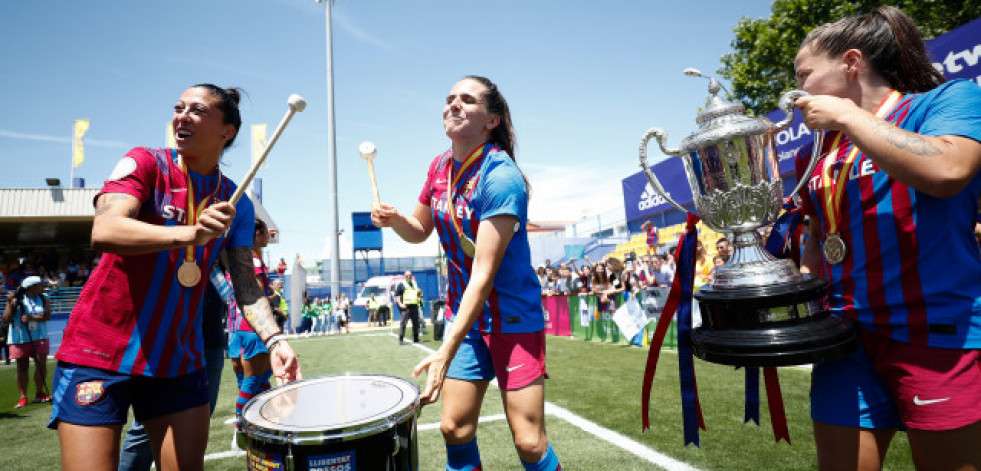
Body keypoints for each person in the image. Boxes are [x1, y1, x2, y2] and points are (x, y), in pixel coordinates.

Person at [47, 84, 302, 471]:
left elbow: (245, 287)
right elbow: (105, 231)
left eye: (197, 110)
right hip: (99, 352)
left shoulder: (237, 201)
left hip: (177, 359)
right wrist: (188, 233)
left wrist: (275, 338)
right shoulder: (146, 163)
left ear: (227, 131)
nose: (182, 116)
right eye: (178, 107)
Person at [792, 7, 981, 470]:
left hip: (937, 333)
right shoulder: (813, 152)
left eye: (805, 75)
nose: (798, 90)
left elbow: (946, 170)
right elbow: (819, 237)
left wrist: (848, 117)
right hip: (845, 339)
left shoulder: (945, 101)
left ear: (851, 63)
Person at [371, 75, 561, 471]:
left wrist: (444, 350)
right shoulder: (439, 166)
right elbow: (419, 230)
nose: (453, 104)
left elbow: (484, 274)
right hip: (468, 320)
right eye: (449, 98)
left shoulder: (501, 177)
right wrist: (395, 221)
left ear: (491, 120)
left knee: (528, 442)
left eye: (467, 100)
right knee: (454, 428)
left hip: (512, 318)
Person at [117, 278, 230, 471]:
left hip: (211, 341)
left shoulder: (220, 259)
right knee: (148, 425)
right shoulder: (180, 251)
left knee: (198, 418)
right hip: (172, 342)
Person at [227, 218, 278, 419]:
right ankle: (241, 428)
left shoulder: (236, 258)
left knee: (256, 381)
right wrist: (271, 297)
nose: (269, 236)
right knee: (253, 381)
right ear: (257, 234)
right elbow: (255, 293)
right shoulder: (253, 260)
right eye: (266, 233)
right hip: (253, 327)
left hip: (236, 326)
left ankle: (263, 421)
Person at [4, 276, 51, 408]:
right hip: (19, 338)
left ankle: (40, 393)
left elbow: (47, 316)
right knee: (22, 367)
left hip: (40, 336)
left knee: (41, 365)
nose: (43, 287)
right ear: (31, 286)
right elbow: (6, 318)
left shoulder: (44, 297)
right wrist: (9, 302)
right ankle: (23, 397)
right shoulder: (16, 299)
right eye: (40, 285)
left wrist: (32, 317)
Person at [396, 271, 423, 344]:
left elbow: (420, 291)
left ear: (412, 276)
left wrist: (420, 297)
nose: (408, 277)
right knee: (403, 323)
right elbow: (397, 295)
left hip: (414, 306)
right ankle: (401, 340)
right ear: (404, 276)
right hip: (406, 307)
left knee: (416, 323)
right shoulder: (401, 284)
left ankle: (416, 338)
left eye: (410, 275)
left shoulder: (414, 283)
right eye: (407, 276)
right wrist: (400, 304)